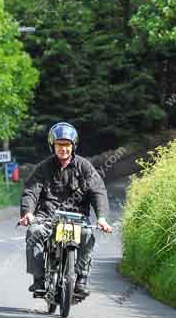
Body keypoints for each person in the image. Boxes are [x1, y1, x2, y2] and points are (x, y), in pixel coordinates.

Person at [18, 122, 113, 297]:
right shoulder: (43, 168)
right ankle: (38, 280)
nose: (63, 149)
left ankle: (81, 279)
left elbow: (98, 191)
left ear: (73, 146)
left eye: (67, 145)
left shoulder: (84, 167)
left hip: (76, 217)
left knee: (86, 235)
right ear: (52, 145)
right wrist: (28, 213)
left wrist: (102, 218)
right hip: (47, 217)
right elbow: (31, 191)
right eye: (59, 144)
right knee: (34, 232)